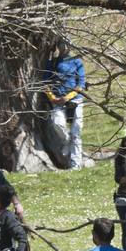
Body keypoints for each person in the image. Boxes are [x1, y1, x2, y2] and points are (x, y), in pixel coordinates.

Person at [42, 39, 86, 169]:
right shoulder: (52, 63)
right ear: (58, 46)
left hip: (75, 99)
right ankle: (66, 142)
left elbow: (81, 84)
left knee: (76, 132)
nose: (65, 47)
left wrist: (68, 97)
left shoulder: (77, 61)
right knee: (57, 123)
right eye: (62, 45)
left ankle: (76, 164)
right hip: (57, 100)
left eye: (67, 44)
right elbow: (45, 83)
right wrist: (52, 97)